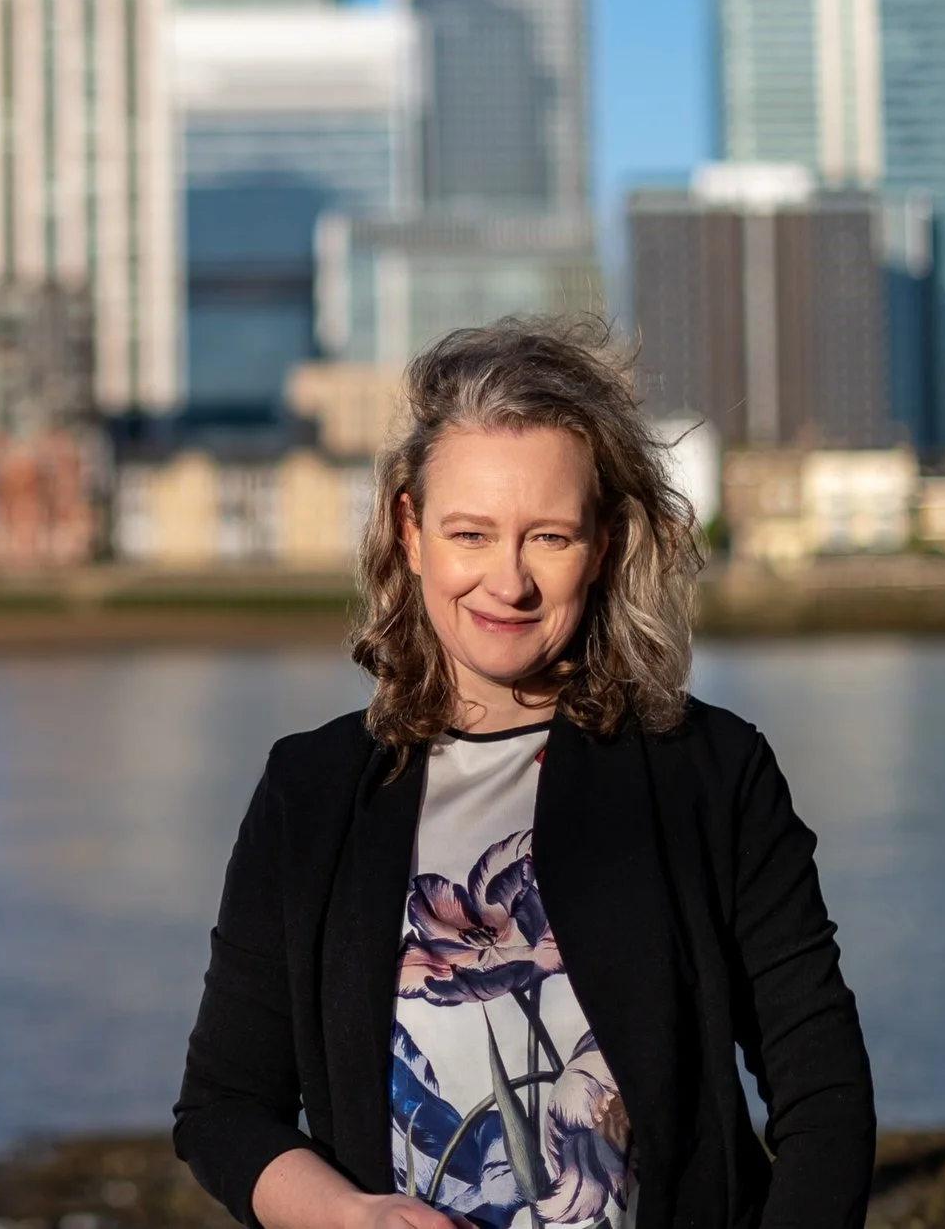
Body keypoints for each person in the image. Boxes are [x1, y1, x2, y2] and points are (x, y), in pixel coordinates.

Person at [172, 320, 873, 1229]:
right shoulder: (309, 792)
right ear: (409, 530)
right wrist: (353, 1217)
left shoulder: (713, 772)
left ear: (608, 544)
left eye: (548, 536)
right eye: (470, 533)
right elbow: (223, 1110)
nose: (508, 582)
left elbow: (824, 1094)